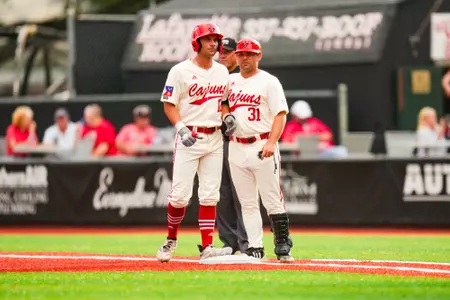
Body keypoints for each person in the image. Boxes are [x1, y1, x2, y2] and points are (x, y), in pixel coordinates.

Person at [156, 23, 237, 262]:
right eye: (208, 39)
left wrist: (227, 116)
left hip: (213, 136)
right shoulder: (179, 71)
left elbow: (223, 102)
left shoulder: (222, 71)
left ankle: (207, 246)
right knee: (179, 196)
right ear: (197, 42)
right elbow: (169, 104)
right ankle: (171, 239)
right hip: (189, 135)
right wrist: (181, 129)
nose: (214, 44)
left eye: (216, 40)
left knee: (210, 195)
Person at [227, 38, 294, 262]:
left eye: (249, 53)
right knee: (247, 202)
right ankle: (255, 246)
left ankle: (283, 242)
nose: (244, 58)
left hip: (261, 142)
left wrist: (271, 142)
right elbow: (221, 104)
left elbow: (280, 115)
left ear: (259, 56)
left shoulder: (269, 81)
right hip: (236, 145)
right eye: (241, 54)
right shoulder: (230, 81)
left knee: (271, 198)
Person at [217, 37, 248, 254]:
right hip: (217, 140)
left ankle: (247, 241)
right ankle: (229, 243)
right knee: (222, 194)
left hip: (239, 140)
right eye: (221, 51)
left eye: (228, 52)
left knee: (242, 193)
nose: (222, 55)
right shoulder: (214, 76)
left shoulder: (243, 78)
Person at [281, 100, 347, 158]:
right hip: (302, 154)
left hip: (322, 152)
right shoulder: (291, 126)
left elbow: (328, 135)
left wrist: (313, 139)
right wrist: (306, 140)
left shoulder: (314, 122)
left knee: (342, 151)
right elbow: (286, 141)